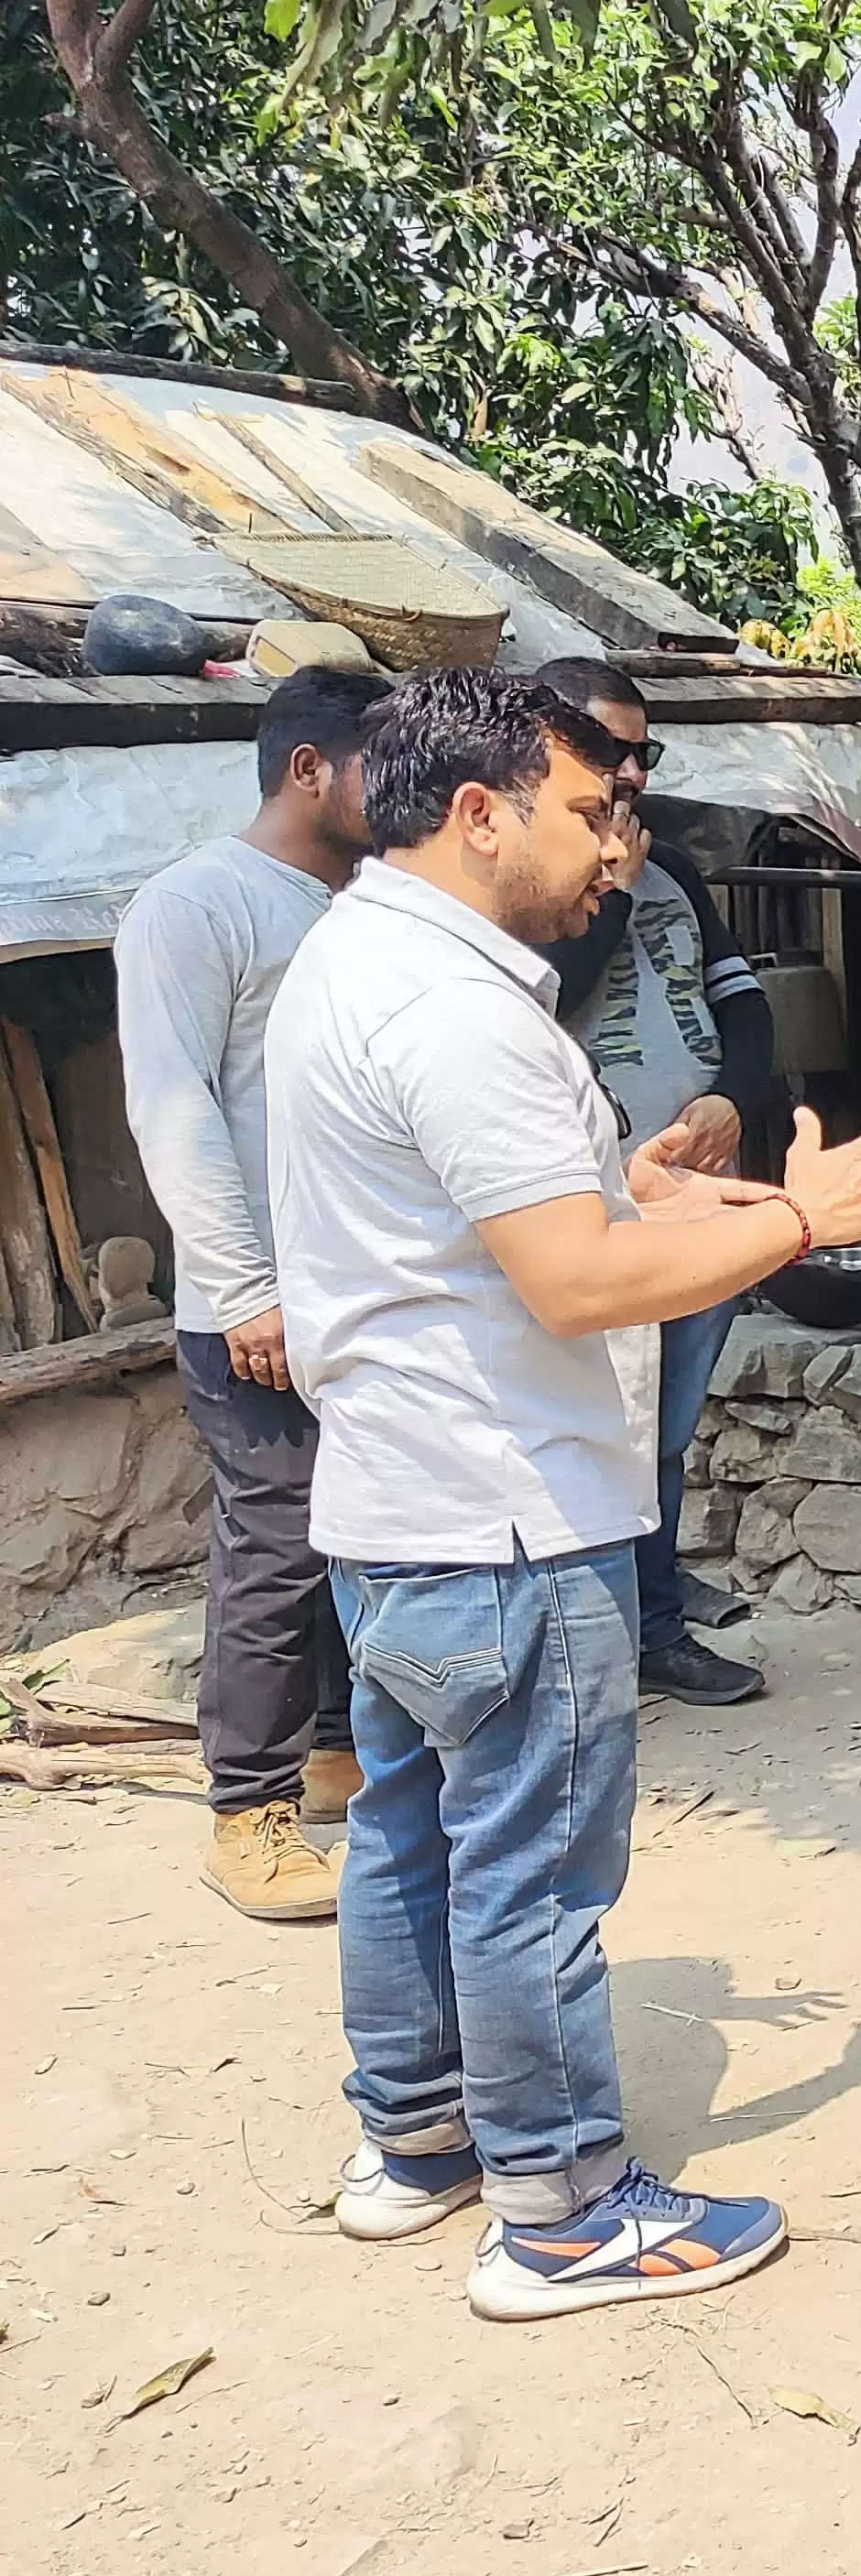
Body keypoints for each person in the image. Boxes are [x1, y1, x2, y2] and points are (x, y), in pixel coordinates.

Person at [269, 668, 861, 2318]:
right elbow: (577, 1287)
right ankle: (566, 2206)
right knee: (530, 1867)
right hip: (506, 1513)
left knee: (410, 1835)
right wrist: (806, 1219)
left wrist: (633, 1182)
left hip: (397, 1507)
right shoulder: (457, 1011)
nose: (621, 846)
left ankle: (420, 2137)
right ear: (482, 811)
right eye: (594, 811)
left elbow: (508, 1227)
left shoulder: (358, 964)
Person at [117, 661, 387, 1921]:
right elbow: (177, 1116)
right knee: (275, 1551)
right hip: (259, 1307)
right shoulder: (197, 904)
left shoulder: (371, 910)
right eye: (377, 767)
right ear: (309, 770)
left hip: (366, 1293)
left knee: (359, 1537)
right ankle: (250, 1814)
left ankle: (336, 1754)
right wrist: (242, 1291)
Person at [537, 657, 784, 1710]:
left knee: (669, 1424)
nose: (630, 770)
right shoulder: (530, 883)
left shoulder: (673, 865)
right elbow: (553, 996)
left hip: (694, 1195)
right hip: (588, 1209)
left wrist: (733, 1095)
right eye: (608, 749)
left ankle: (654, 1626)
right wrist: (612, 889)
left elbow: (746, 1006)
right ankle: (606, 1639)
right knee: (607, 1426)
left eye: (642, 750)